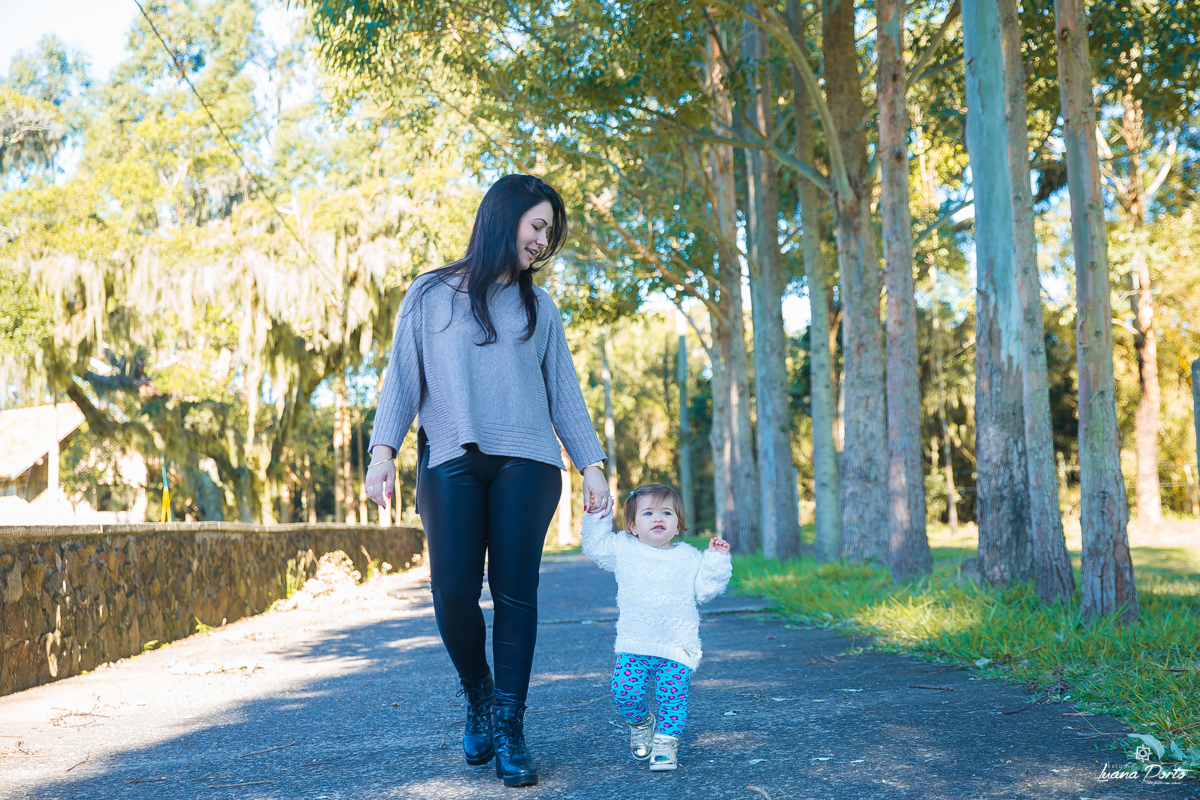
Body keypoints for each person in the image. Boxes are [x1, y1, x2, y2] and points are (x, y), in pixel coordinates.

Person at [363, 174, 612, 788]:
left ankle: (509, 723)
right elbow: (402, 380)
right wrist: (381, 452)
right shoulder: (428, 295)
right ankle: (478, 694)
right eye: (537, 225)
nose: (542, 240)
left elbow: (566, 396)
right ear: (505, 217)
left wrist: (593, 466)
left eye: (549, 232)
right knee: (451, 591)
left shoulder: (539, 307)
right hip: (450, 456)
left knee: (515, 592)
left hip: (527, 461)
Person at [581, 483, 732, 771]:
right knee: (624, 692)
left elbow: (705, 590)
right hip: (635, 642)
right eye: (648, 513)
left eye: (667, 513)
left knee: (672, 698)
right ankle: (641, 722)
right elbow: (595, 547)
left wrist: (716, 561)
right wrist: (597, 516)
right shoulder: (624, 548)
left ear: (678, 525)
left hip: (677, 645)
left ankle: (665, 743)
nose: (658, 518)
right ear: (633, 526)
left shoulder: (688, 557)